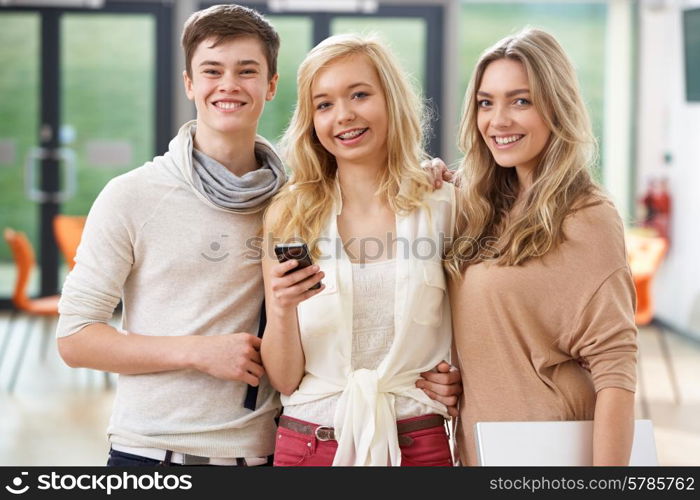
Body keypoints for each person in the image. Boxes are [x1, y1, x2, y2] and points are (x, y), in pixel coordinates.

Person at [56, 4, 459, 467]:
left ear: (271, 87)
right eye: (211, 71)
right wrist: (197, 352)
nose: (228, 85)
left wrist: (426, 173)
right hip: (154, 454)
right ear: (189, 83)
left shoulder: (290, 202)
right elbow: (74, 337)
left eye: (246, 71)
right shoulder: (132, 196)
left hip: (266, 451)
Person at [261, 34, 457, 467]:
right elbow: (285, 378)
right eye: (324, 104)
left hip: (417, 444)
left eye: (360, 95)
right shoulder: (290, 216)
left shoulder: (445, 207)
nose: (344, 115)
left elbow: (476, 326)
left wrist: (461, 378)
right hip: (308, 445)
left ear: (390, 99)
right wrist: (280, 308)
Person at [446, 28, 638, 466]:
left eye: (521, 101)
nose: (499, 120)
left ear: (556, 106)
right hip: (482, 447)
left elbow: (616, 370)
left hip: (550, 451)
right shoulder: (480, 207)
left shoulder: (587, 215)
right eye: (486, 102)